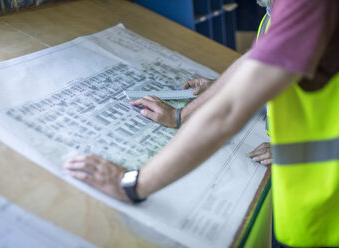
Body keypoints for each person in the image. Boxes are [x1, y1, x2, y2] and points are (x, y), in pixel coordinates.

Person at [65, 0, 339, 246]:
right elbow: (253, 63)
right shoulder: (278, 9)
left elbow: (230, 110)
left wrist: (133, 185)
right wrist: (185, 112)